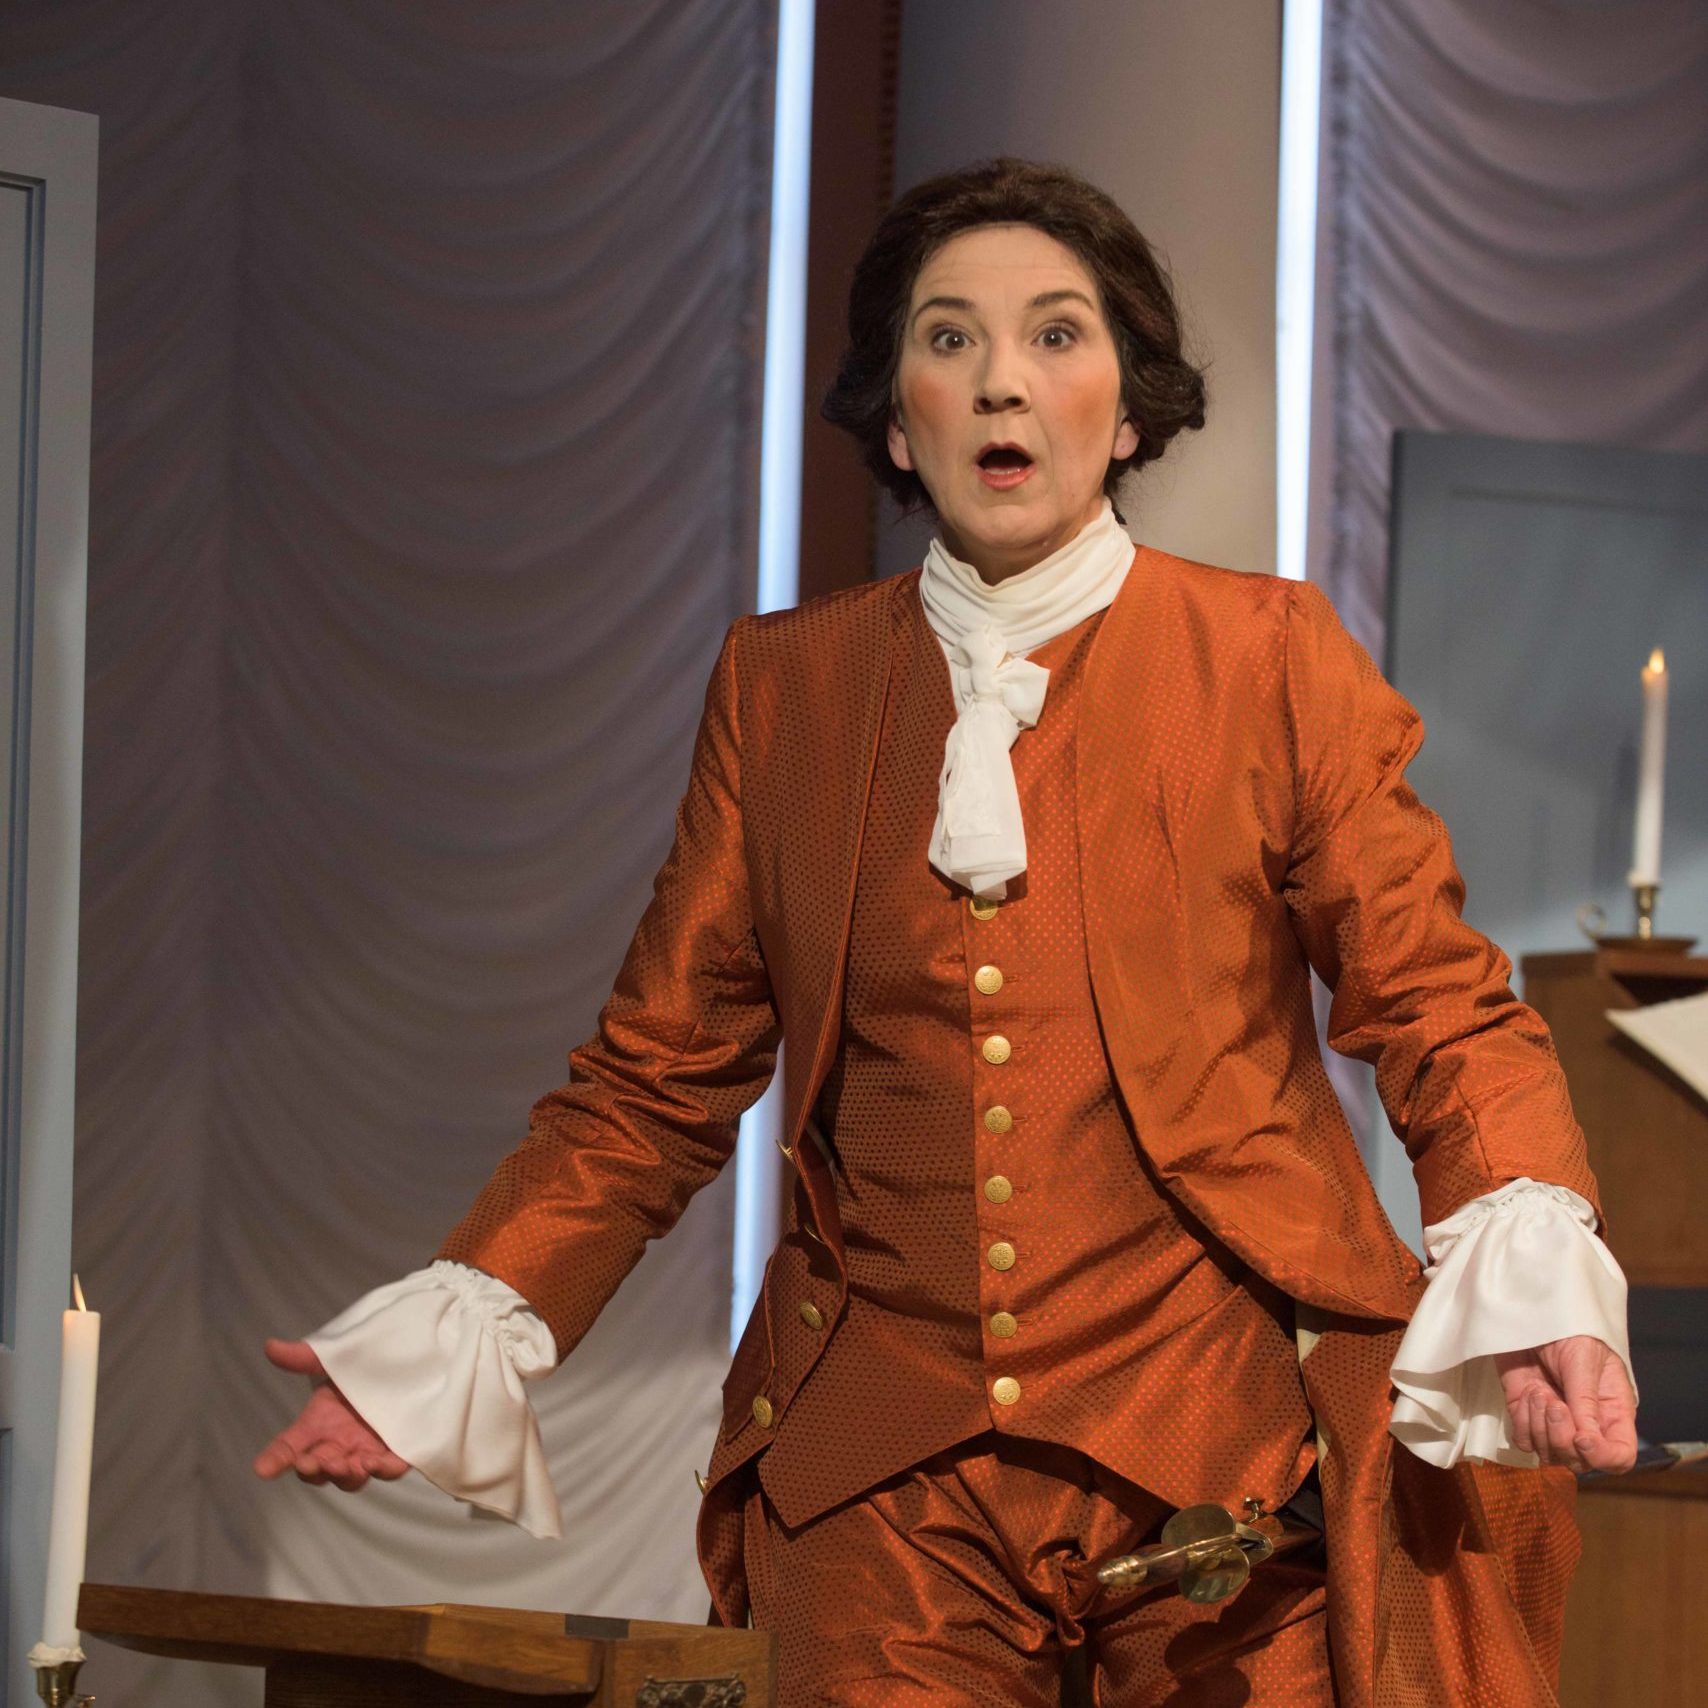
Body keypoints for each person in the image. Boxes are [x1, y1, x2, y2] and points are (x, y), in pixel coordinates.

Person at [256, 158, 1637, 1704]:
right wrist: (465, 1329)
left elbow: (1437, 1002)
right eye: (950, 338)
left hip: (1229, 1437)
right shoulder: (785, 688)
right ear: (900, 422)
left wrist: (1531, 1265)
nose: (1001, 381)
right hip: (881, 1469)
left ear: (1128, 411)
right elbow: (656, 1074)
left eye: (1055, 334)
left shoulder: (1266, 656)